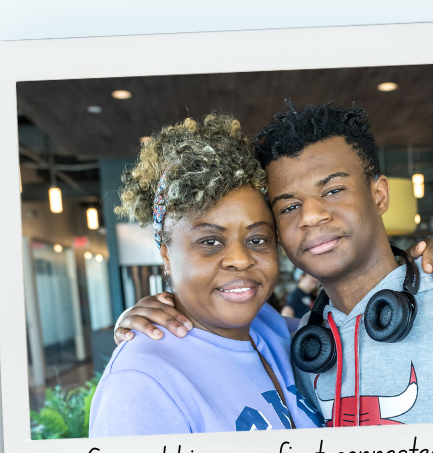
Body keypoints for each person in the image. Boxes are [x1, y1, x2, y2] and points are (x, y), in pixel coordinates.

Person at [119, 102, 433, 425]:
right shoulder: (299, 343)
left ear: (379, 195)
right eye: (289, 206)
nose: (312, 215)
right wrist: (153, 311)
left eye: (333, 190)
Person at [90, 113, 321, 435]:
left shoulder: (277, 330)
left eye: (257, 240)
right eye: (210, 242)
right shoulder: (142, 381)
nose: (240, 260)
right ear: (167, 255)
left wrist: (411, 272)